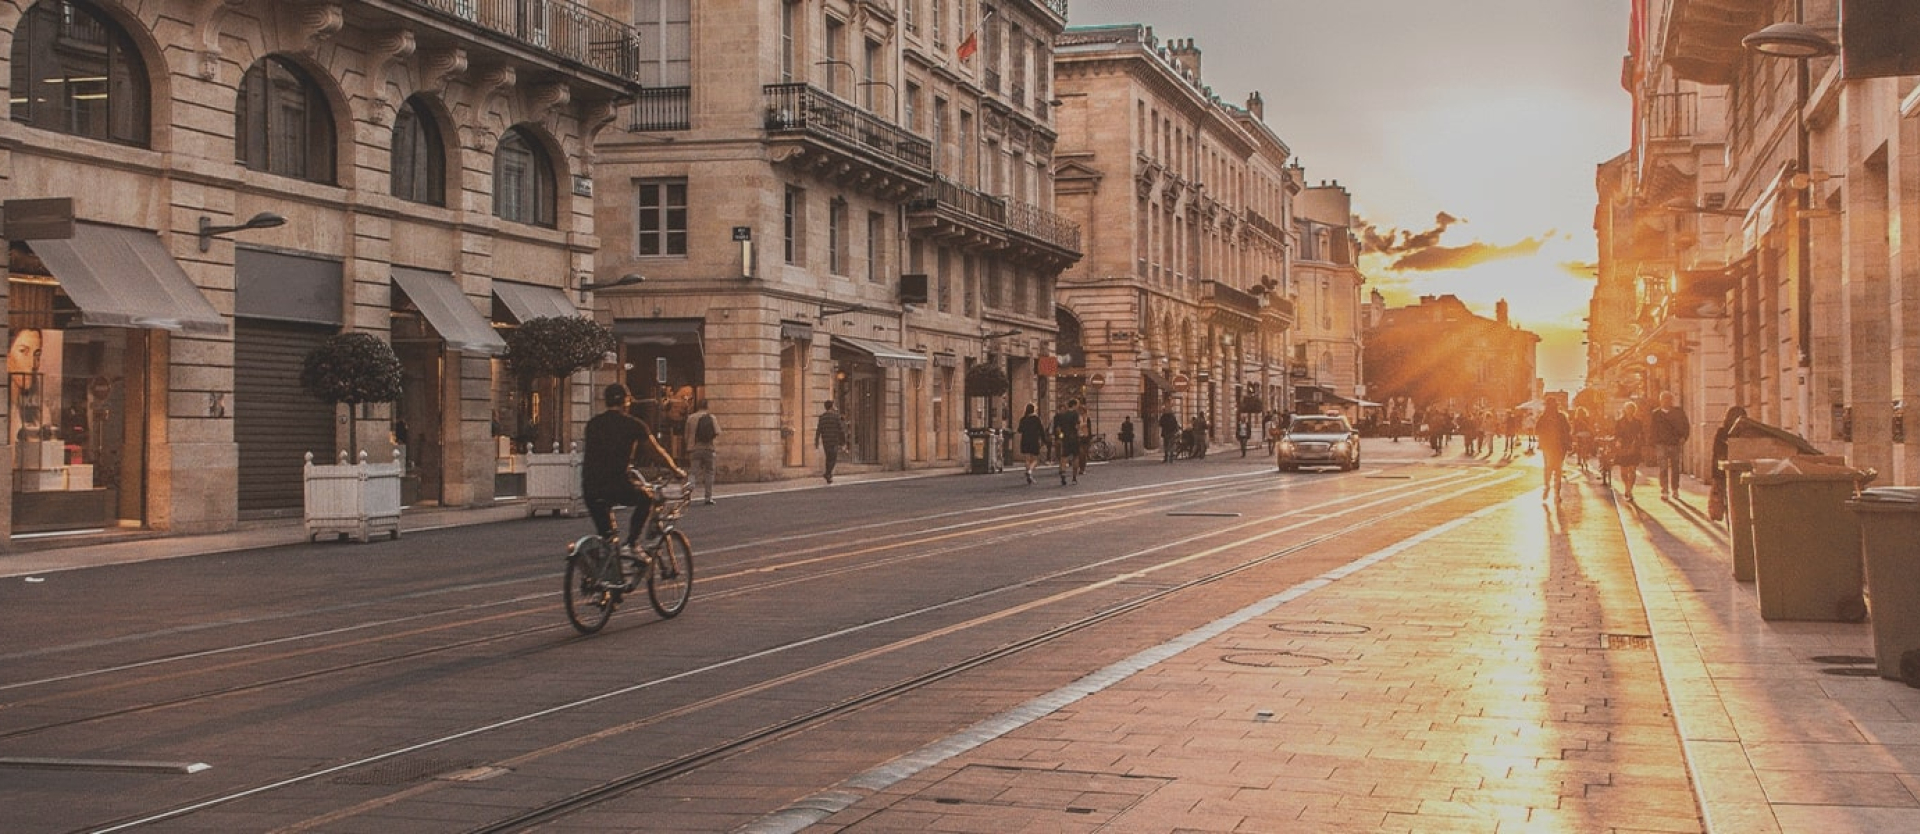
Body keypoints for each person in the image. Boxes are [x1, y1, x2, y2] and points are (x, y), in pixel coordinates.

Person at [582, 384, 683, 552]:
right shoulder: (633, 424)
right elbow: (655, 452)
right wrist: (675, 470)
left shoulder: (593, 424)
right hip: (616, 484)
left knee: (607, 536)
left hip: (590, 487)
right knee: (646, 498)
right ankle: (632, 543)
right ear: (626, 402)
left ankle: (603, 568)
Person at [1709, 405, 1748, 522]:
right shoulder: (1743, 433)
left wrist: (1715, 475)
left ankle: (1730, 522)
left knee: (1728, 498)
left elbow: (1716, 453)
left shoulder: (1722, 432)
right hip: (1733, 471)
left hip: (1723, 471)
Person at [1649, 391, 1690, 499]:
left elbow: (1686, 425)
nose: (1666, 401)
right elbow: (1652, 430)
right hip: (1661, 444)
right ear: (1660, 401)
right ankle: (1664, 490)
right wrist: (1653, 444)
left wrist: (1684, 437)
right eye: (1664, 399)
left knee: (1675, 467)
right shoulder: (1656, 414)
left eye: (1668, 399)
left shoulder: (1678, 412)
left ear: (1671, 400)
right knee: (1663, 468)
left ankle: (1675, 489)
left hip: (1674, 443)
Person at [1536, 398, 1573, 502]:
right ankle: (1557, 494)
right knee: (1558, 470)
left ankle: (1547, 486)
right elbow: (1568, 429)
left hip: (1547, 446)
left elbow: (1537, 430)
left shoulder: (1543, 417)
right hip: (1560, 447)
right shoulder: (1561, 416)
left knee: (1548, 468)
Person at [686, 400, 719, 505]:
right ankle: (708, 497)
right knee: (709, 472)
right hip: (709, 448)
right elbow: (717, 431)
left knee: (693, 472)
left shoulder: (691, 418)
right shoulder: (711, 418)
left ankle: (689, 491)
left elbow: (686, 435)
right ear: (707, 406)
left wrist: (689, 445)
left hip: (695, 449)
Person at [1614, 400, 1647, 501]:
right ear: (1625, 410)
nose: (1630, 410)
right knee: (1624, 471)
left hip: (1634, 447)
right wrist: (1618, 441)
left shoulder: (1638, 422)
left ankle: (1630, 489)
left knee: (1632, 470)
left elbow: (1641, 434)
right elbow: (1617, 434)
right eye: (1628, 408)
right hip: (1623, 448)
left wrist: (1641, 443)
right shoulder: (1620, 422)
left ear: (1634, 410)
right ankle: (1626, 486)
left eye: (1632, 409)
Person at [815, 400, 849, 484]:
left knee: (828, 458)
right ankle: (828, 473)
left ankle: (828, 475)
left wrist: (816, 441)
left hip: (825, 441)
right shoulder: (835, 417)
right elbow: (841, 430)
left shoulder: (822, 417)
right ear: (831, 406)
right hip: (834, 441)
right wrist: (844, 442)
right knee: (833, 459)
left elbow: (818, 430)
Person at [1052, 399, 1082, 484]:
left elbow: (1058, 428)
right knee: (1075, 457)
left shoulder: (1063, 415)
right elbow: (1077, 426)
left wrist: (1061, 436)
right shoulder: (1075, 414)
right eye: (1077, 405)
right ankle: (1074, 478)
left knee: (1063, 457)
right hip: (1074, 438)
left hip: (1065, 438)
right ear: (1074, 405)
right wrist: (1079, 432)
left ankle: (1063, 472)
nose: (1078, 407)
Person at [1015, 403, 1046, 484]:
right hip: (1034, 440)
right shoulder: (1036, 419)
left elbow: (1019, 430)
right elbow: (1041, 430)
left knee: (1027, 459)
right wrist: (1044, 440)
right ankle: (1030, 471)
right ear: (1034, 409)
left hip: (1025, 440)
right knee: (1035, 459)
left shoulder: (1023, 419)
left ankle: (1029, 475)